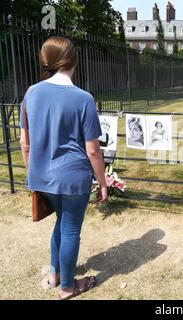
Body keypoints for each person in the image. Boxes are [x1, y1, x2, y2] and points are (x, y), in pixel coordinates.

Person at [19, 37, 107, 300]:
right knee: (70, 229)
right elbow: (93, 149)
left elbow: (25, 142)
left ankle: (55, 275)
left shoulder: (31, 92)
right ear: (73, 61)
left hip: (41, 175)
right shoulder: (83, 98)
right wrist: (103, 182)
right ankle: (67, 287)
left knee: (61, 223)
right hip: (72, 178)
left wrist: (32, 174)